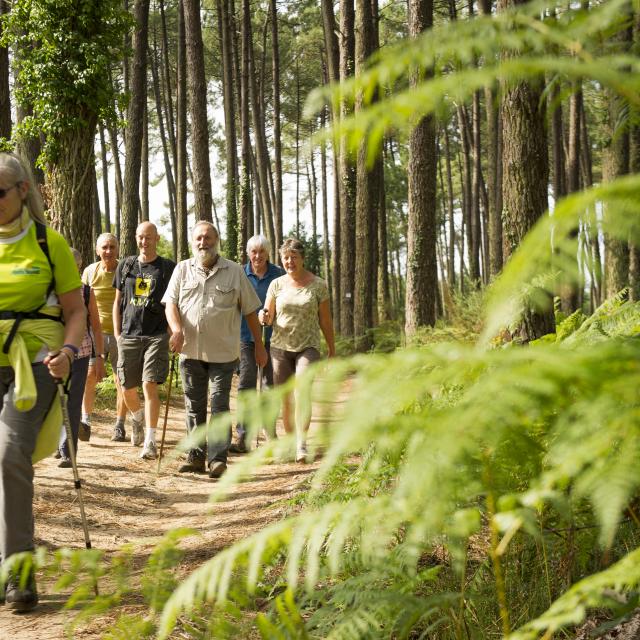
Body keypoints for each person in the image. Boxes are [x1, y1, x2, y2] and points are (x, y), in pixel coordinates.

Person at [0, 152, 85, 611]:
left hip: (35, 358)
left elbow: (75, 313)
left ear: (22, 191)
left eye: (0, 192)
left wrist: (69, 352)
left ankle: (19, 572)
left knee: (10, 453)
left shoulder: (48, 243)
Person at [163, 221, 267, 478]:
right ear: (192, 241)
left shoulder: (233, 271)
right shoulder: (182, 270)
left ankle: (218, 459)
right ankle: (196, 456)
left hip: (223, 353)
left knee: (219, 404)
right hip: (190, 351)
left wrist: (260, 346)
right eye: (198, 238)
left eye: (208, 238)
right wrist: (176, 330)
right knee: (193, 406)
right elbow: (170, 305)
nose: (203, 243)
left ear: (216, 240)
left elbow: (251, 311)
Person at [259, 238, 335, 463]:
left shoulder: (318, 285)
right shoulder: (277, 284)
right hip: (280, 346)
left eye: (294, 257)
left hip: (308, 346)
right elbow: (268, 315)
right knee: (286, 399)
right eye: (285, 258)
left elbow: (325, 320)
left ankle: (302, 443)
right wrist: (263, 317)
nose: (289, 261)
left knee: (302, 391)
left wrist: (332, 348)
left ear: (302, 258)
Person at [113, 221, 175, 460]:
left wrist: (173, 332)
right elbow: (117, 302)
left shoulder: (167, 268)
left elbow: (173, 303)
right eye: (140, 237)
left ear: (157, 239)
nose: (144, 241)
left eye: (148, 237)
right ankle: (137, 417)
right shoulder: (126, 265)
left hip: (156, 335)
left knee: (149, 384)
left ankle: (150, 440)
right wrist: (118, 333)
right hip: (128, 335)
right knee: (126, 387)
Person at [230, 234, 284, 453]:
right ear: (248, 253)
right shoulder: (240, 273)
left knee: (270, 387)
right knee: (246, 387)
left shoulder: (278, 274)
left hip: (274, 339)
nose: (258, 256)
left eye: (262, 252)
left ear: (268, 253)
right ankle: (243, 436)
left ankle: (270, 432)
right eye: (254, 252)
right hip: (244, 339)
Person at [58, 249, 105, 467]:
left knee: (73, 402)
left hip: (81, 353)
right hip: (54, 353)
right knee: (55, 400)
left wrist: (100, 357)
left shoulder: (86, 292)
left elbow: (96, 325)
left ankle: (69, 451)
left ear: (78, 266)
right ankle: (58, 443)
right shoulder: (49, 290)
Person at [80, 233, 128, 442]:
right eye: (104, 247)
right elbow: (81, 301)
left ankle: (119, 425)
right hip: (95, 335)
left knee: (121, 381)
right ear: (97, 250)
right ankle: (86, 421)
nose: (108, 251)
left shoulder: (125, 270)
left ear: (118, 249)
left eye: (112, 247)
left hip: (121, 334)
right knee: (89, 377)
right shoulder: (90, 272)